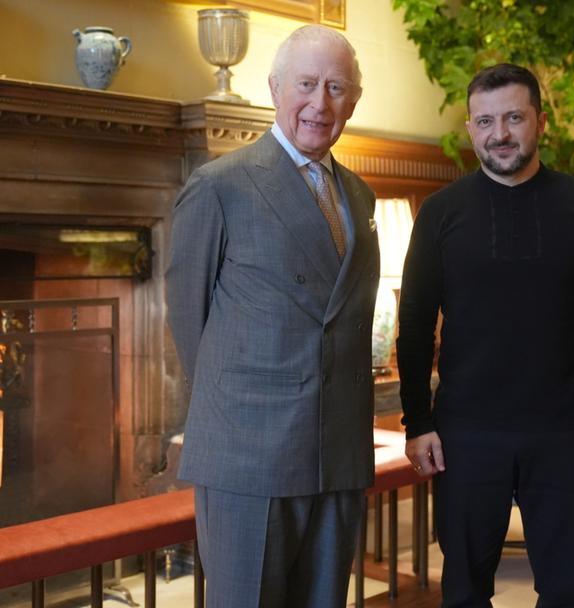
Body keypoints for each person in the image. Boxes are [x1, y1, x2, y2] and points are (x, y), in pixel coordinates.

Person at [396, 63, 574, 608]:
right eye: (484, 121)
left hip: (564, 432)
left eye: (513, 118)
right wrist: (418, 421)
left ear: (539, 123)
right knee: (463, 592)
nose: (498, 133)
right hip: (464, 434)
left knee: (569, 593)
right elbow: (413, 324)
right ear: (471, 129)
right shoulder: (439, 214)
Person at [166, 25, 380, 608]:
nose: (321, 103)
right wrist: (235, 411)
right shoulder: (219, 185)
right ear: (275, 88)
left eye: (337, 88)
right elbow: (190, 319)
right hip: (248, 453)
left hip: (337, 450)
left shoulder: (360, 195)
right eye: (307, 84)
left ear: (354, 101)